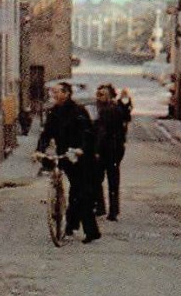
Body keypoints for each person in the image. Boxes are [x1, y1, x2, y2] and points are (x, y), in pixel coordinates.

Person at [36, 81, 101, 243]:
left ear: (66, 94)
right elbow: (46, 134)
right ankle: (70, 225)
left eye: (57, 92)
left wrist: (81, 149)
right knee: (73, 192)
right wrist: (40, 150)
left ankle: (91, 231)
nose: (54, 96)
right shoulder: (54, 112)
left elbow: (87, 133)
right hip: (64, 155)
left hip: (81, 157)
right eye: (53, 93)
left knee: (81, 194)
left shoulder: (78, 111)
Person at [92, 84, 133, 221]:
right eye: (98, 94)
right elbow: (127, 116)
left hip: (108, 149)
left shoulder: (107, 110)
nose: (98, 97)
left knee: (102, 179)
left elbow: (102, 132)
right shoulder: (107, 108)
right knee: (108, 179)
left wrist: (96, 150)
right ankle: (111, 209)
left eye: (102, 94)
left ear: (110, 96)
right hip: (116, 149)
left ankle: (103, 208)